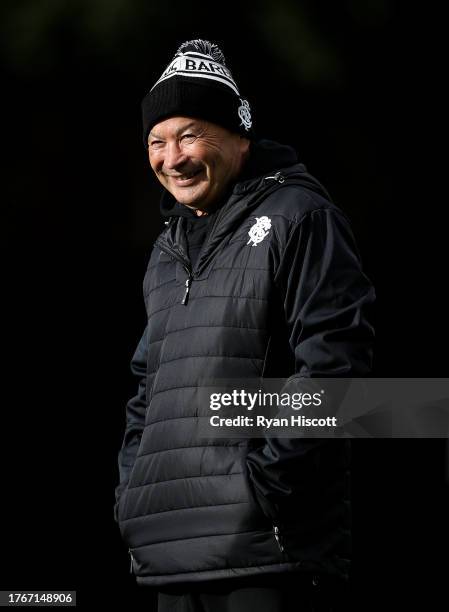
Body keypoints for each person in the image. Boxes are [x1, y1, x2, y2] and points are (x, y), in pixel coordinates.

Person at [114, 39, 375, 611]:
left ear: (238, 136)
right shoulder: (165, 251)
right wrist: (133, 493)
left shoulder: (300, 217)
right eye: (156, 141)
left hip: (270, 554)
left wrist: (265, 486)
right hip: (168, 554)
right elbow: (147, 391)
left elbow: (338, 368)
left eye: (190, 134)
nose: (171, 157)